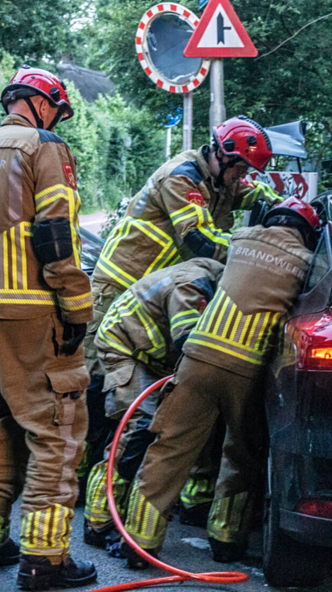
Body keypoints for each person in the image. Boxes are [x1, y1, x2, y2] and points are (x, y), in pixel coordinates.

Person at [83, 117, 281, 501]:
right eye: (239, 166)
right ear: (220, 153)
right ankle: (82, 482)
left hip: (156, 295)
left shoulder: (223, 181)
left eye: (246, 170)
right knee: (100, 390)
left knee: (148, 395)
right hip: (118, 287)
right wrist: (257, 254)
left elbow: (255, 195)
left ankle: (126, 478)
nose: (242, 176)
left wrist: (286, 209)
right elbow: (199, 240)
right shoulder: (183, 177)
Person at [0, 66, 98, 590]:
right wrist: (78, 310)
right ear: (43, 105)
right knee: (55, 434)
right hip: (35, 315)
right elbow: (56, 234)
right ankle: (45, 561)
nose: (58, 120)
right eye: (57, 111)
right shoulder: (43, 147)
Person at [121, 197, 319, 566]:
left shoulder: (242, 238)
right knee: (241, 456)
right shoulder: (308, 262)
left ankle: (139, 544)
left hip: (197, 359)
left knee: (169, 449)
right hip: (248, 370)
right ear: (306, 233)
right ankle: (227, 542)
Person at [82, 257, 224, 547]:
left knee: (146, 430)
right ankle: (97, 522)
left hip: (151, 356)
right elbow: (188, 343)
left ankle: (122, 510)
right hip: (125, 347)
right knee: (135, 428)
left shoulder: (210, 282)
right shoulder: (193, 283)